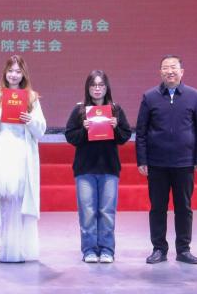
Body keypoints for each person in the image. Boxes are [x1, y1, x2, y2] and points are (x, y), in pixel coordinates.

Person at [136, 55, 197, 265]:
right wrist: (142, 160)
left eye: (174, 67)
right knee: (157, 207)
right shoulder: (149, 97)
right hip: (157, 163)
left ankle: (183, 249)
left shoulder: (195, 96)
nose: (170, 71)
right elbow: (141, 132)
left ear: (181, 72)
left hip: (184, 162)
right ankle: (159, 249)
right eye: (166, 68)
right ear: (160, 72)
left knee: (183, 208)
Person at [0, 55, 46, 262]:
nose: (14, 75)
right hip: (2, 151)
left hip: (22, 152)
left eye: (18, 71)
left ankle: (19, 250)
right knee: (3, 199)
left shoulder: (31, 97)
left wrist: (30, 120)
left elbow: (40, 130)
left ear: (24, 74)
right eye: (10, 71)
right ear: (4, 73)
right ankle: (3, 248)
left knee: (20, 200)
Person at [64, 70, 132, 263]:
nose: (97, 89)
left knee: (107, 212)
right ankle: (89, 250)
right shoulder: (79, 110)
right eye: (93, 85)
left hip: (109, 169)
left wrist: (116, 127)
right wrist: (84, 130)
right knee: (87, 212)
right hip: (85, 169)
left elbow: (124, 136)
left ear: (106, 87)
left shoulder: (115, 110)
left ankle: (107, 250)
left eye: (101, 85)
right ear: (88, 88)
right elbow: (70, 136)